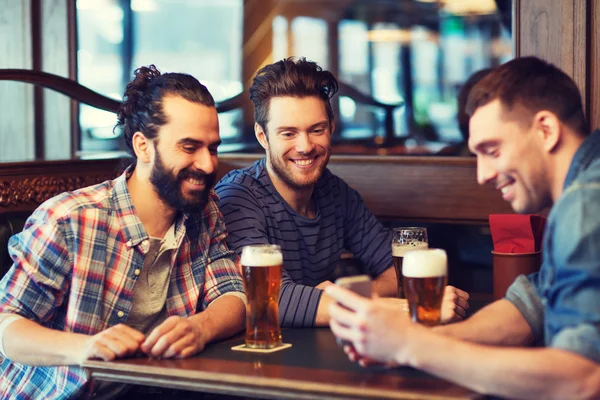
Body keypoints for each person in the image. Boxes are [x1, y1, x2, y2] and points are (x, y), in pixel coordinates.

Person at [327, 56, 600, 399]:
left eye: (492, 150)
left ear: (545, 130)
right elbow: (533, 304)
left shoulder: (586, 203)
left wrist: (411, 345)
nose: (482, 174)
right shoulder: (584, 188)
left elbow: (583, 377)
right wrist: (408, 340)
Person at [0, 66, 246, 399]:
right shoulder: (68, 220)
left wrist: (201, 327)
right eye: (189, 147)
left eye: (212, 148)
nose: (207, 164)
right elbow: (7, 327)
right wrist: (85, 348)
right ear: (143, 147)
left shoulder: (204, 209)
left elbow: (234, 297)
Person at [215, 57, 469, 328]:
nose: (305, 146)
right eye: (288, 133)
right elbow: (270, 297)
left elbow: (397, 271)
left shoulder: (334, 192)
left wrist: (349, 298)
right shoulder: (238, 197)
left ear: (331, 128)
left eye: (316, 130)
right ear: (262, 136)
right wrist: (417, 308)